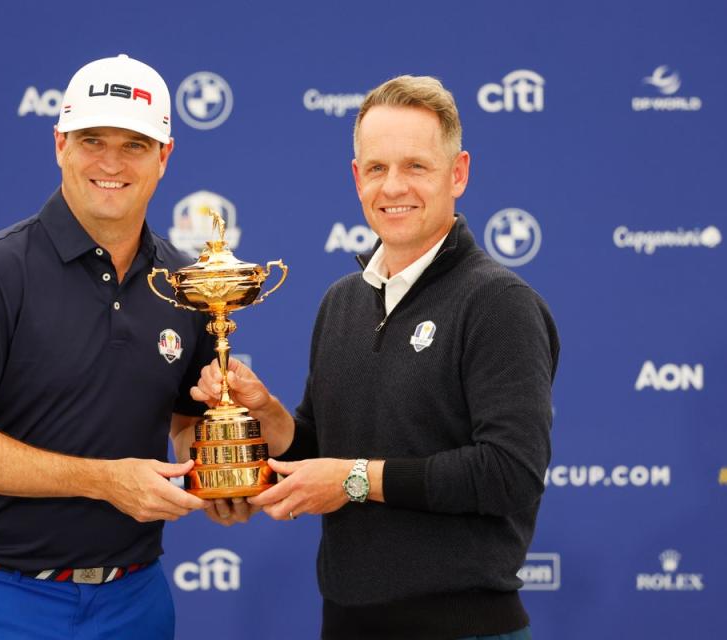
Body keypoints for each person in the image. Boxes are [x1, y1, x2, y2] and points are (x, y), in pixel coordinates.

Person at [193, 75, 560, 639]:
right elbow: (323, 452)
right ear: (355, 177)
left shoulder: (498, 303)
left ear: (457, 173)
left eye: (416, 166)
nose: (393, 187)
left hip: (464, 628)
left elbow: (509, 473)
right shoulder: (341, 301)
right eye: (376, 168)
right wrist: (268, 413)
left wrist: (357, 481)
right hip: (346, 623)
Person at [0, 54, 223, 640]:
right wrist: (104, 480)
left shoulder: (189, 284)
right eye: (91, 140)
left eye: (134, 144)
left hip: (135, 597)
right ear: (59, 144)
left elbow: (188, 425)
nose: (111, 163)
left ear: (165, 156)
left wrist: (217, 473)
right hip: (5, 597)